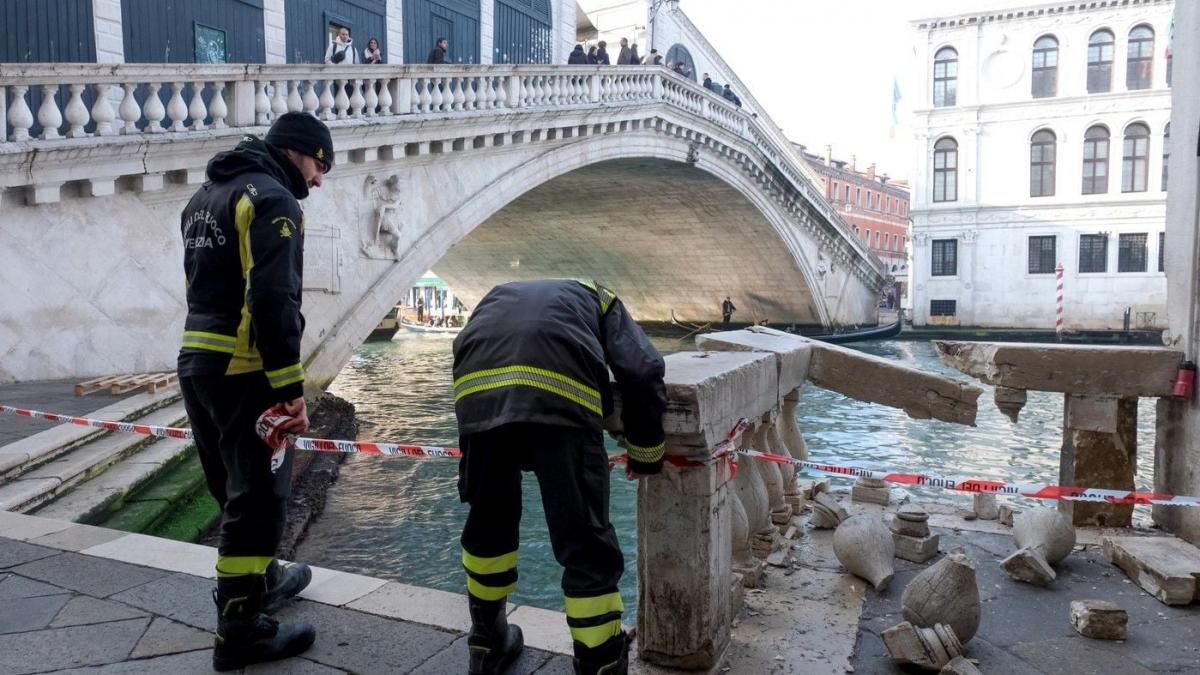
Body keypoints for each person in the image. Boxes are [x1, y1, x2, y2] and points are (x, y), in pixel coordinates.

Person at [178, 112, 334, 671]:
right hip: (247, 373)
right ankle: (241, 629)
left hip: (198, 361)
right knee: (261, 499)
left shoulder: (203, 197)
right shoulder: (273, 200)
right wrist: (291, 387)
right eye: (321, 164)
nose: (318, 181)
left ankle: (264, 577)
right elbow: (274, 300)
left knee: (231, 485)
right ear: (297, 152)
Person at [453, 279, 666, 675]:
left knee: (488, 529)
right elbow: (641, 368)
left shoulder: (497, 294)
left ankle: (485, 644)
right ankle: (599, 661)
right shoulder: (602, 299)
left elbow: (468, 343)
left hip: (479, 399)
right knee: (584, 542)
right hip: (562, 403)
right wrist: (646, 453)